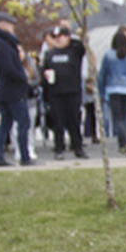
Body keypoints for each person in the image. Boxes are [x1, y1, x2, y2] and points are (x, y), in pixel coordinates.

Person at [0, 14, 34, 167]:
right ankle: (24, 156)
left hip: (4, 90)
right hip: (13, 90)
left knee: (5, 124)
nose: (12, 27)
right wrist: (23, 77)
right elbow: (8, 69)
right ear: (2, 24)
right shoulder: (2, 44)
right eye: (10, 24)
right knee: (23, 123)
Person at [38, 23, 90, 158]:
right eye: (55, 37)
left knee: (74, 122)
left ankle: (77, 148)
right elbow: (43, 71)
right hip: (56, 93)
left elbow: (82, 46)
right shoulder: (49, 54)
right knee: (58, 123)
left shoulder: (74, 51)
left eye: (61, 36)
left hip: (72, 92)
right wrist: (45, 77)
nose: (58, 40)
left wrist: (72, 35)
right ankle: (59, 149)